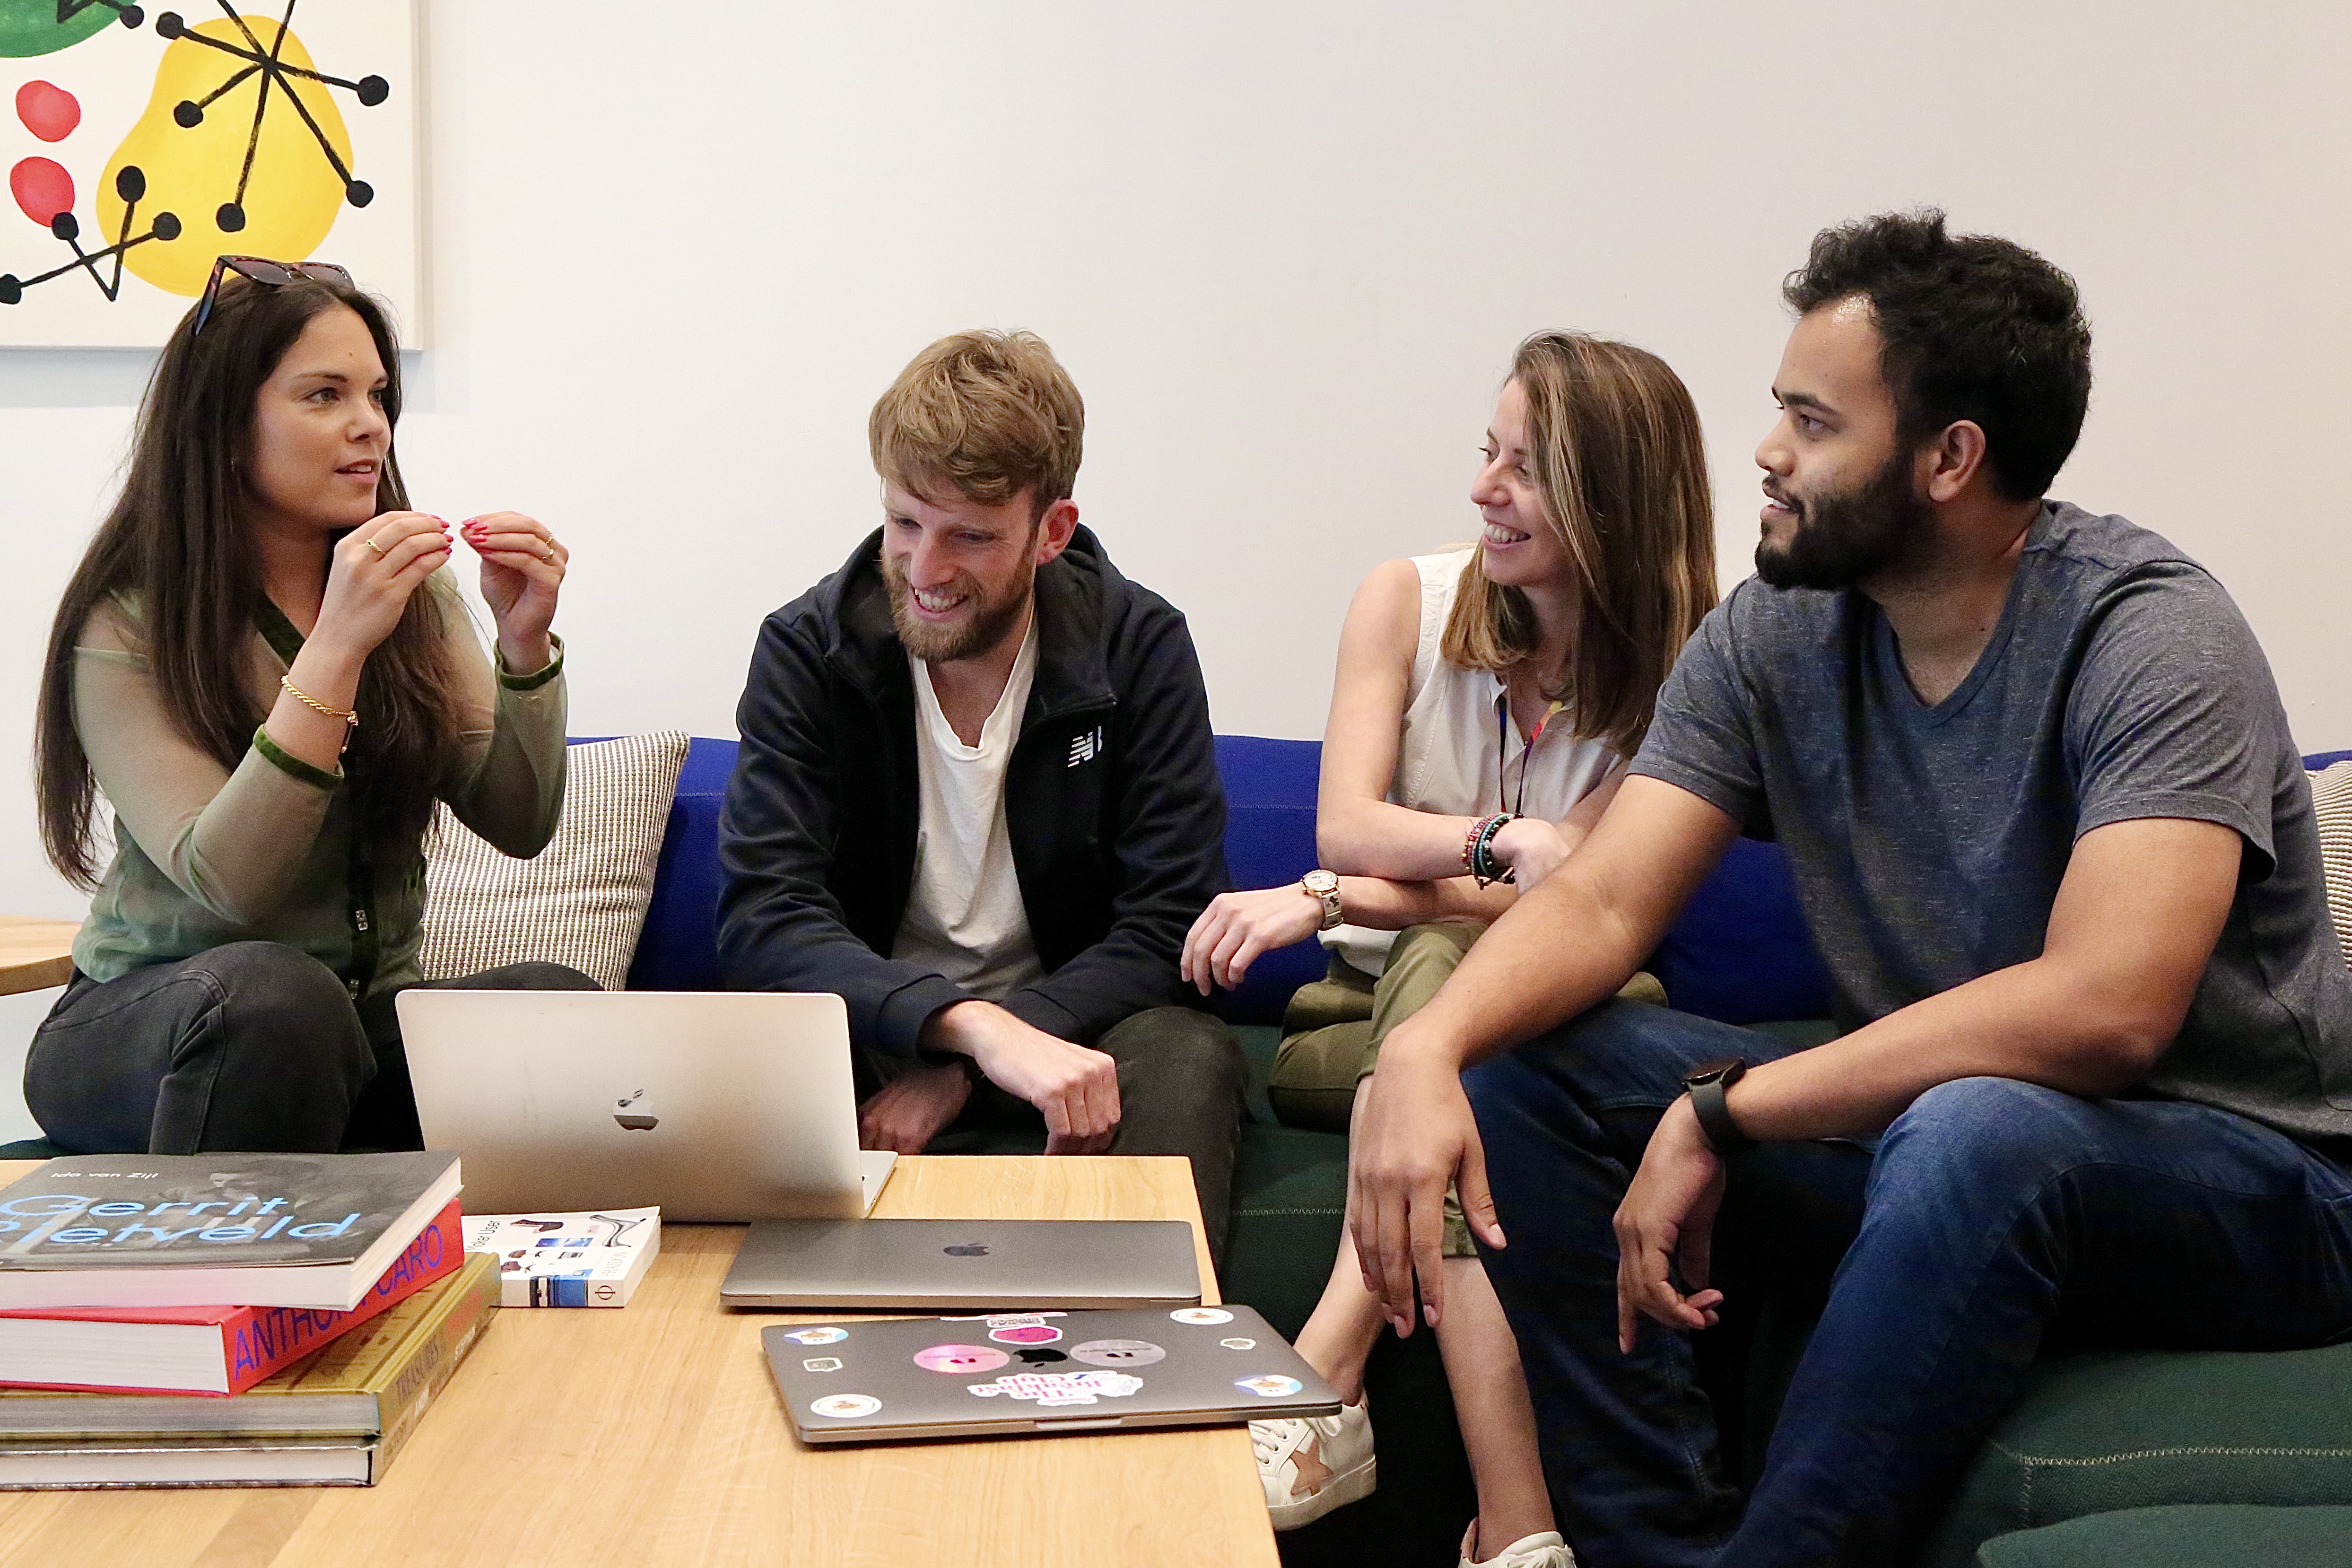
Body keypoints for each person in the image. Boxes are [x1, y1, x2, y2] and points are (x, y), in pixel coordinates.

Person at [1346, 209, 2352, 1568]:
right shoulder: (1778, 627)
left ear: (1948, 459)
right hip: (1937, 1142)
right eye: (1780, 409)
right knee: (1526, 1066)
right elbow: (1600, 900)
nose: (1765, 451)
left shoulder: (2150, 635)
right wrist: (1429, 1045)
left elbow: (2105, 1008)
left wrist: (1728, 1107)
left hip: (2255, 1176)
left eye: (1811, 422)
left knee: (1977, 1125)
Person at [1182, 332, 1718, 1568]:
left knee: (1465, 1021)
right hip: (1351, 1025)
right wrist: (1494, 842)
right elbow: (1348, 821)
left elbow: (1584, 901)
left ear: (1612, 498)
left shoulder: (1691, 674)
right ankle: (1513, 1521)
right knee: (1445, 992)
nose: (1484, 488)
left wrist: (1326, 897)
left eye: (1525, 467)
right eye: (1489, 452)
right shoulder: (1404, 600)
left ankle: (1331, 1366)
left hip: (1574, 1020)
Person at [30, 255, 592, 1158]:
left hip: (357, 1033)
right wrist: (335, 650)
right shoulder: (128, 620)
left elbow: (520, 824)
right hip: (165, 1026)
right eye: (324, 395)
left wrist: (524, 647)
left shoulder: (417, 595)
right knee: (278, 998)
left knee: (553, 1006)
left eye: (377, 395)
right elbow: (232, 885)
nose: (370, 425)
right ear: (224, 427)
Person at [718, 329, 1246, 1256]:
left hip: (1075, 1031)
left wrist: (969, 1067)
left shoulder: (1139, 646)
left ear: (1052, 532)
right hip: (872, 1027)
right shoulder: (808, 649)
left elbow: (1171, 920)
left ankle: (1143, 1331)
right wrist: (963, 1031)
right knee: (731, 1065)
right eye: (905, 523)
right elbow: (766, 915)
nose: (924, 571)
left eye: (969, 535)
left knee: (1188, 1051)